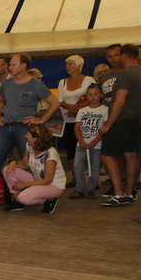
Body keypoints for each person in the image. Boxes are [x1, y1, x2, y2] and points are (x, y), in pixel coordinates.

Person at [0, 54, 59, 206]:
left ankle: (34, 194)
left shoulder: (36, 85)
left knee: (28, 164)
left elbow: (55, 103)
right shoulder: (7, 84)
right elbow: (0, 99)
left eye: (13, 64)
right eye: (10, 64)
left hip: (25, 129)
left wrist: (41, 120)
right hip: (6, 127)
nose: (9, 67)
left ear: (24, 66)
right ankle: (3, 195)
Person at [97, 45, 141, 208]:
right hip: (134, 119)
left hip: (121, 120)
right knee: (130, 155)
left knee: (106, 155)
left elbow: (119, 102)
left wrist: (108, 124)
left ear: (124, 56)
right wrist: (139, 111)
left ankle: (119, 193)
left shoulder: (125, 74)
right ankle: (129, 192)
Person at [4, 123, 66, 214]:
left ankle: (48, 198)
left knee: (23, 198)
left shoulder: (50, 154)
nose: (25, 136)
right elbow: (25, 165)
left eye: (28, 134)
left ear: (36, 138)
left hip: (53, 185)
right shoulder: (29, 146)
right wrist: (14, 163)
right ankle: (18, 202)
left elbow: (47, 180)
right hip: (38, 180)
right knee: (7, 170)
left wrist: (24, 185)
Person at [56, 55, 95, 187]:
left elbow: (92, 98)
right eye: (67, 64)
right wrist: (71, 108)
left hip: (84, 120)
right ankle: (75, 178)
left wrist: (77, 109)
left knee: (87, 148)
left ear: (79, 66)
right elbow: (60, 100)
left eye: (70, 64)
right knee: (71, 150)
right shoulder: (62, 82)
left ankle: (92, 178)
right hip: (67, 120)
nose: (67, 66)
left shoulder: (89, 80)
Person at [72, 84, 108, 199]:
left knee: (95, 168)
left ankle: (92, 190)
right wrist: (81, 141)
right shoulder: (82, 111)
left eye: (96, 94)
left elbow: (105, 127)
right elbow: (77, 127)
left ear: (101, 95)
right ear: (86, 96)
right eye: (90, 94)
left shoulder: (106, 110)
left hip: (97, 145)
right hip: (81, 145)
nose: (93, 97)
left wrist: (95, 141)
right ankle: (79, 189)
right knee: (78, 166)